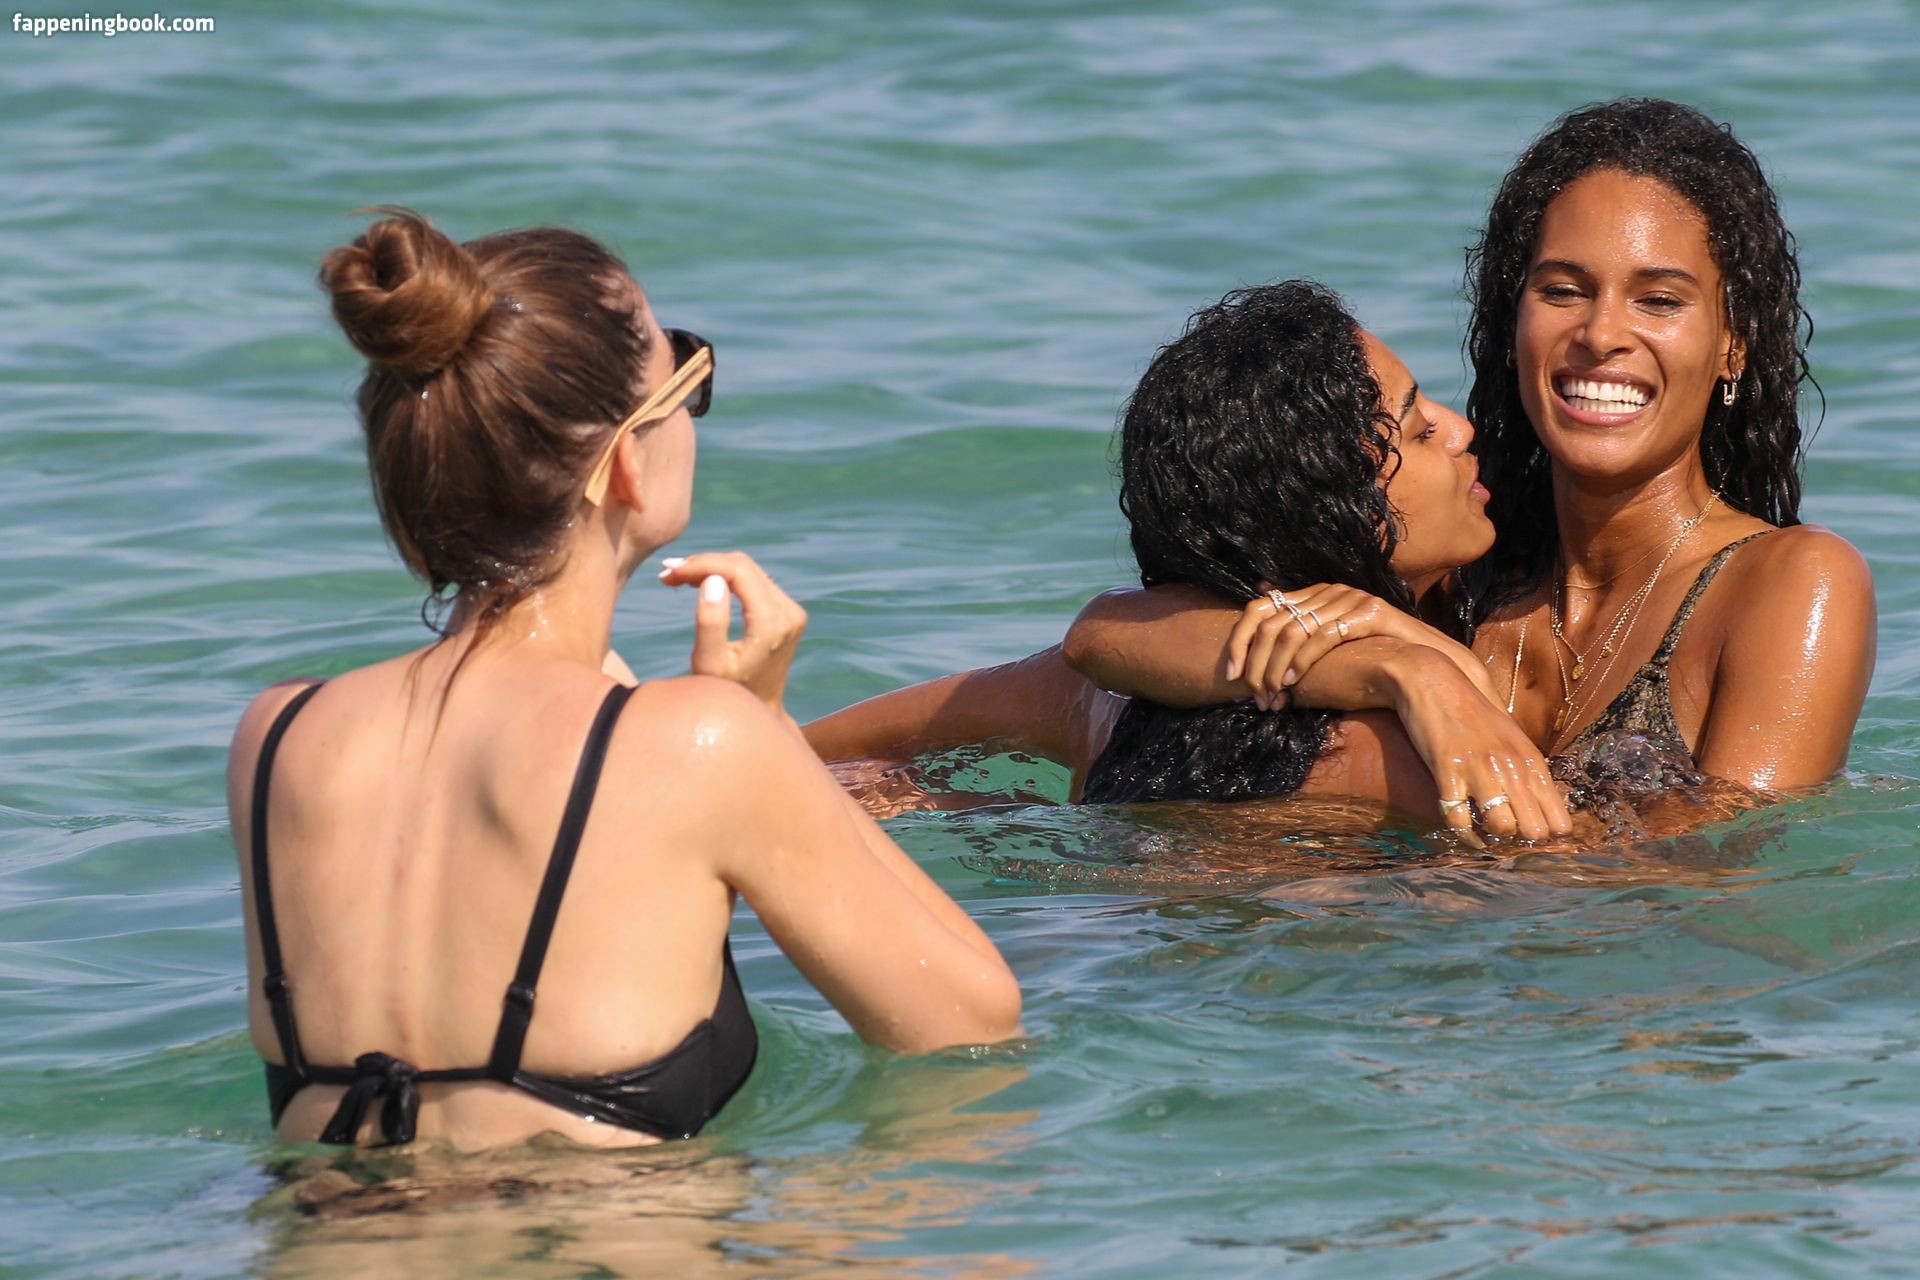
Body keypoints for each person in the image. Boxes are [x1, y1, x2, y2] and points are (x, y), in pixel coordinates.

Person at [229, 210, 1020, 1151]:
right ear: (626, 463)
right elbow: (970, 1027)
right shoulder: (697, 744)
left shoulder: (279, 738)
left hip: (308, 1221)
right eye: (687, 380)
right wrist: (764, 722)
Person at [1065, 99, 1876, 798]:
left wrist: (1442, 671)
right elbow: (1108, 636)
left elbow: (1710, 874)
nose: (1601, 334)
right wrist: (1400, 667)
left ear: (1734, 346)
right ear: (1510, 322)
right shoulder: (1461, 576)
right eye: (1562, 290)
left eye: (1659, 300)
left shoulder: (1788, 584)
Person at [806, 281, 1573, 840]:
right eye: (1416, 431)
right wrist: (1424, 665)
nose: (1460, 430)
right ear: (1334, 515)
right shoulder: (1384, 758)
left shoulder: (1100, 700)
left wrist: (1408, 649)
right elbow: (1578, 868)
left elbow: (808, 756)